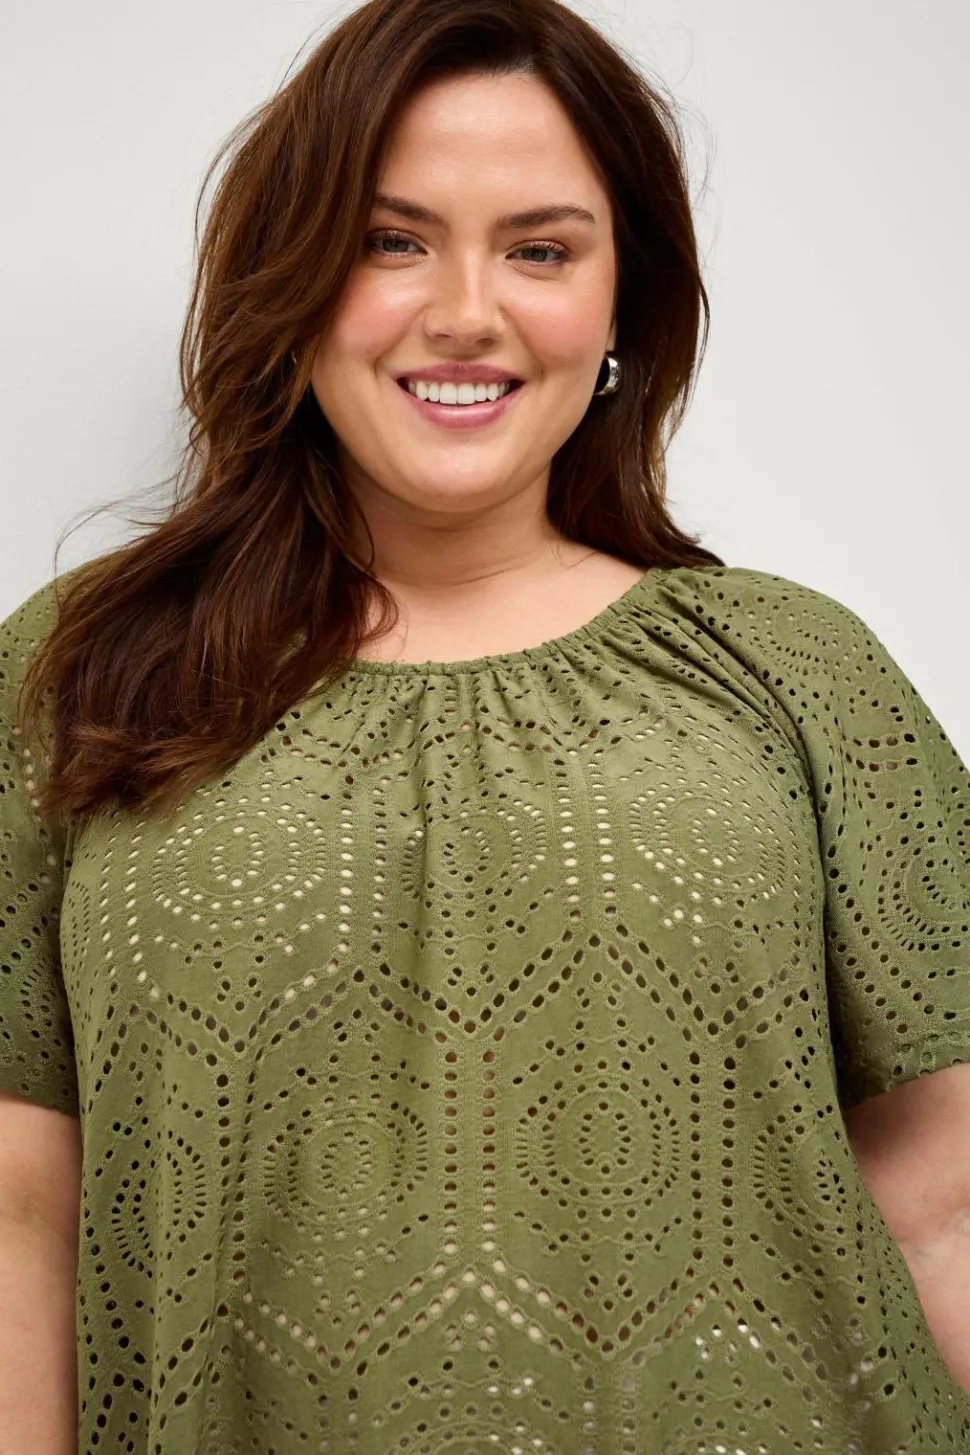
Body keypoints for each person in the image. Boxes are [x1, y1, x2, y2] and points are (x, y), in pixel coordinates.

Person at [2, 0, 969, 1450]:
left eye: (540, 249)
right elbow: (19, 1214)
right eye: (390, 241)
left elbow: (944, 1202)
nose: (465, 310)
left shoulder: (795, 673)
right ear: (291, 278)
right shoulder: (83, 672)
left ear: (622, 304)